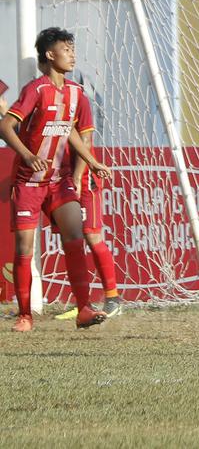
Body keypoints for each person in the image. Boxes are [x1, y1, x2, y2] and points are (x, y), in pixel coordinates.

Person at [0, 28, 113, 331]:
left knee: (75, 238)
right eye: (67, 48)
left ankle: (84, 309)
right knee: (24, 247)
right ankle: (25, 316)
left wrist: (92, 162)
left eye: (72, 48)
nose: (72, 53)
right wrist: (25, 154)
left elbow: (70, 130)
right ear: (50, 55)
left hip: (58, 181)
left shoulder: (76, 92)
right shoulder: (36, 89)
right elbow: (6, 126)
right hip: (28, 181)